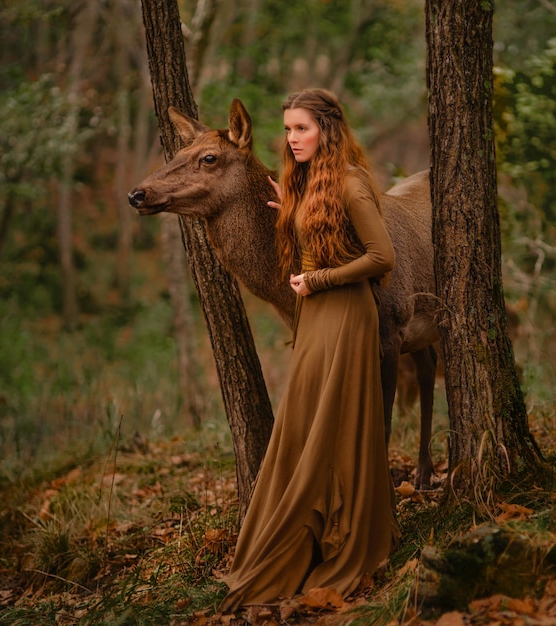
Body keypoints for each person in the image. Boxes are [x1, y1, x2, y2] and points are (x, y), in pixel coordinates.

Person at [219, 88, 399, 612]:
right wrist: (290, 211)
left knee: (337, 426)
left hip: (344, 314)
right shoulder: (312, 183)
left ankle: (348, 536)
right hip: (317, 313)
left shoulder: (349, 183)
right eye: (289, 129)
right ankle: (308, 531)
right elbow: (321, 236)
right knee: (306, 421)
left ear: (328, 128)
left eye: (302, 128)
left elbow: (381, 257)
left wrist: (319, 280)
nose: (292, 138)